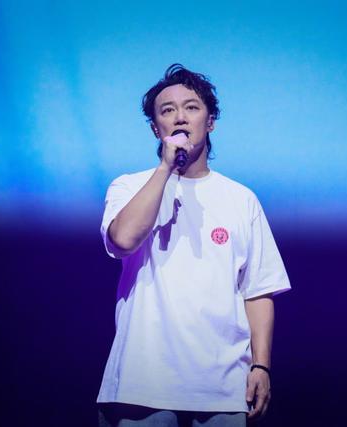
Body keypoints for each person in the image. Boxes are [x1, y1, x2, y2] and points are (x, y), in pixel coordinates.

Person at [97, 64, 291, 427]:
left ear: (210, 121)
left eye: (191, 107)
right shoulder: (129, 186)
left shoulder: (241, 199)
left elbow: (257, 290)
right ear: (156, 128)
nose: (180, 117)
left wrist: (261, 366)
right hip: (141, 384)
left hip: (222, 389)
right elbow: (123, 239)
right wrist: (165, 170)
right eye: (167, 110)